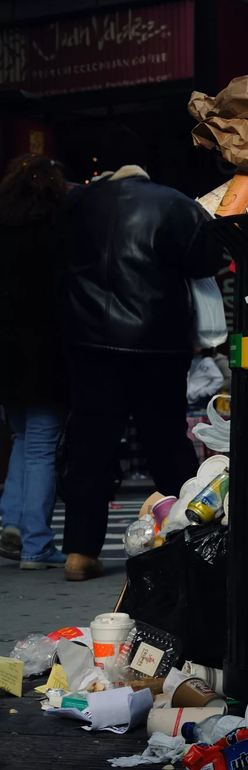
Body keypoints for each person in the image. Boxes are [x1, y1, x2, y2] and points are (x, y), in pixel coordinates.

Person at [58, 129, 224, 581]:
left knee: (91, 447)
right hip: (157, 343)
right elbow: (205, 261)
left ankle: (79, 552)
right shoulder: (173, 203)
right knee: (166, 443)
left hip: (89, 343)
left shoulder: (76, 205)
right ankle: (186, 540)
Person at [0, 155, 70, 569]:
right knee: (42, 446)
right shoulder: (58, 230)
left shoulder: (4, 232)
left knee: (23, 442)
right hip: (45, 348)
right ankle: (36, 544)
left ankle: (13, 524)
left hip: (6, 352)